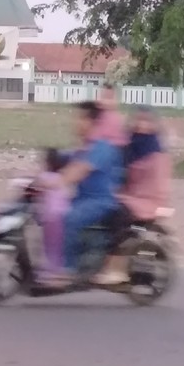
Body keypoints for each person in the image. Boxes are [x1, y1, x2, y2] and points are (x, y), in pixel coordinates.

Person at [44, 101, 125, 287]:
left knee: (67, 218)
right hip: (82, 198)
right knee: (47, 215)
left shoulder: (101, 148)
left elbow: (77, 171)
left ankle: (67, 270)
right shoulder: (83, 148)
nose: (75, 122)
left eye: (79, 118)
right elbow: (65, 163)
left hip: (100, 201)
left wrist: (55, 182)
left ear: (90, 122)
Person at [93, 107, 174, 285]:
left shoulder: (156, 151)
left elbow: (158, 182)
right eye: (138, 120)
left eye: (146, 121)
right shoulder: (129, 143)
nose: (141, 125)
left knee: (117, 215)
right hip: (130, 194)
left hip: (146, 199)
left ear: (154, 125)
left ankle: (117, 269)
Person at [34, 148, 73, 281]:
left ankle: (51, 271)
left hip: (51, 217)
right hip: (63, 215)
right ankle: (55, 268)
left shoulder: (45, 177)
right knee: (57, 244)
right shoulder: (63, 178)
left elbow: (35, 188)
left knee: (49, 245)